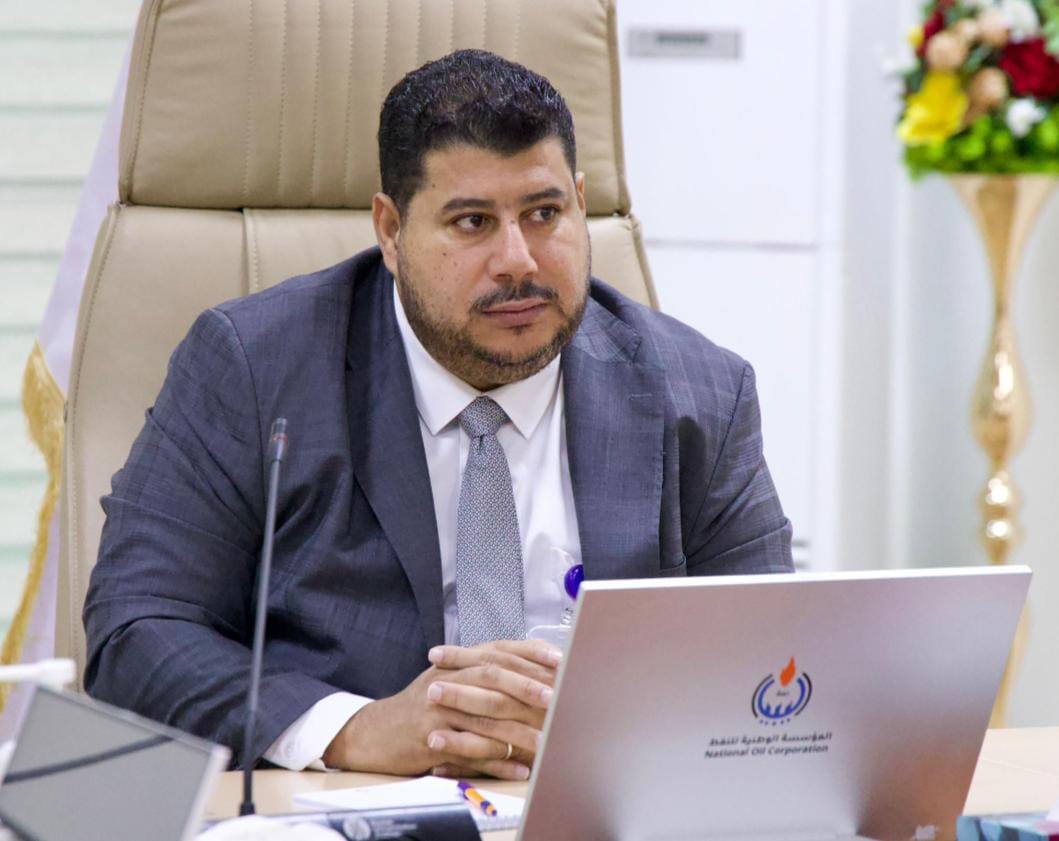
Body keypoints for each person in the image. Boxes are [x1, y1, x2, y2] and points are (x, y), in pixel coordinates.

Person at [83, 49, 793, 782]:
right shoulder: (257, 369)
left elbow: (773, 653)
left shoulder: (701, 393)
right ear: (390, 231)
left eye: (544, 214)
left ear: (582, 205)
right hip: (351, 807)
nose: (518, 260)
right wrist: (354, 728)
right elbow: (136, 631)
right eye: (472, 221)